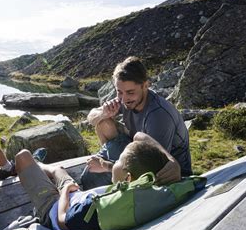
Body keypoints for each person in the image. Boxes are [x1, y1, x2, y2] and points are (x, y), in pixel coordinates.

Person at [16, 137, 169, 230]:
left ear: (128, 177)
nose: (114, 164)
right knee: (58, 170)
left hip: (53, 209)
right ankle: (37, 164)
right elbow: (140, 137)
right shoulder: (138, 194)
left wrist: (64, 192)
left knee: (22, 157)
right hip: (76, 197)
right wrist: (108, 167)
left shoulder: (101, 211)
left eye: (118, 162)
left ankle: (22, 166)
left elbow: (62, 221)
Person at [81, 56, 192, 190]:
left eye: (130, 92)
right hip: (139, 150)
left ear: (145, 85)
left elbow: (151, 167)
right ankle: (113, 165)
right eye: (119, 92)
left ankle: (114, 173)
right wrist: (104, 113)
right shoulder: (124, 98)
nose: (124, 98)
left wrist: (107, 166)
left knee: (95, 178)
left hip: (166, 174)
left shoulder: (158, 115)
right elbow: (91, 117)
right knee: (103, 122)